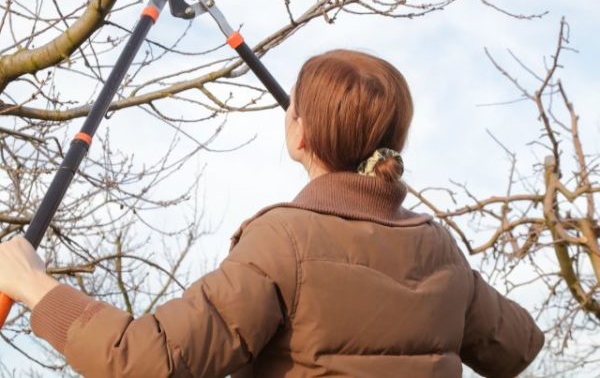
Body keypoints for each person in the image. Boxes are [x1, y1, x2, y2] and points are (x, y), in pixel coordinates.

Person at [0, 49, 544, 377]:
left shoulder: (284, 241)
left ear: (299, 133)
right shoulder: (440, 250)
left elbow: (149, 360)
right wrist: (419, 239)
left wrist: (36, 288)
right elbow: (521, 346)